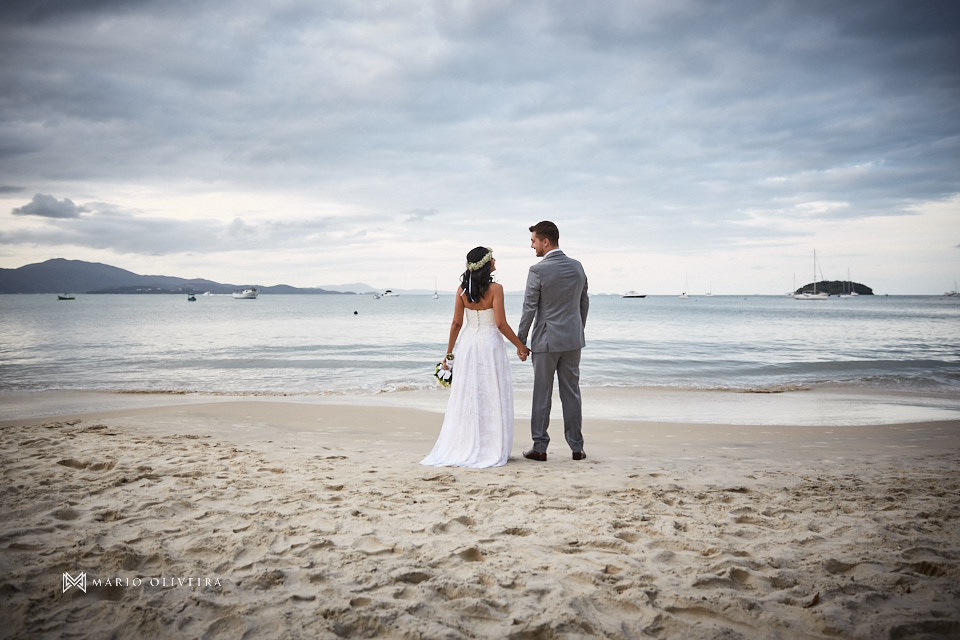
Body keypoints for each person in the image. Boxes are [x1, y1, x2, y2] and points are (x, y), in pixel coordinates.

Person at [421, 247, 530, 468]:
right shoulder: (496, 289)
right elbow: (500, 323)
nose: (495, 261)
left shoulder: (462, 290)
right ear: (485, 264)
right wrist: (521, 346)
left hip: (468, 345)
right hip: (490, 345)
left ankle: (465, 442)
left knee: (469, 393)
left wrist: (449, 355)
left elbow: (456, 323)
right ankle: (492, 444)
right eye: (492, 258)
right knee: (492, 391)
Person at [517, 221, 589, 462]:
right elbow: (584, 302)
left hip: (546, 341)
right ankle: (577, 447)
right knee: (572, 393)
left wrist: (521, 341)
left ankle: (540, 447)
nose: (532, 245)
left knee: (542, 394)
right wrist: (577, 330)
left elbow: (529, 307)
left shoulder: (538, 270)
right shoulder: (577, 266)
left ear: (545, 241)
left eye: (534, 241)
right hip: (573, 340)